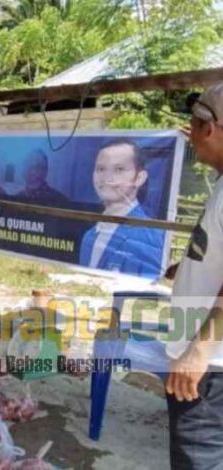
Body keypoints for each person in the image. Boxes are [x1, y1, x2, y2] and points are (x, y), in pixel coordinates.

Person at [163, 84, 223, 469]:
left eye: (194, 124)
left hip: (210, 368)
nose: (189, 134)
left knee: (199, 460)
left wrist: (199, 349)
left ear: (211, 129)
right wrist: (186, 267)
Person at [78, 139, 164, 278]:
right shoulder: (89, 236)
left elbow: (147, 292)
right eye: (101, 169)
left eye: (119, 169)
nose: (107, 178)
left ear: (140, 178)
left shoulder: (152, 238)